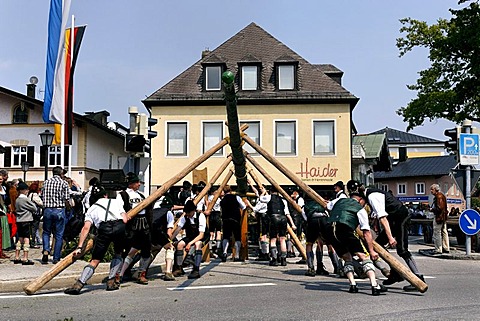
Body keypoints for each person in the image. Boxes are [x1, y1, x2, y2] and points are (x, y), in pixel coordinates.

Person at [347, 180, 425, 292]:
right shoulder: (368, 196)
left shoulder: (373, 196)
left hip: (401, 217)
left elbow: (382, 218)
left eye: (357, 201)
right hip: (393, 219)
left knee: (402, 250)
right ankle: (395, 274)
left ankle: (418, 278)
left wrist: (390, 237)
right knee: (378, 246)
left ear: (360, 197)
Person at [64, 185, 129, 295]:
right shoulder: (116, 202)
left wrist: (79, 247)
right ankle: (111, 282)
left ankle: (79, 284)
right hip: (119, 228)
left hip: (104, 230)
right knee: (118, 254)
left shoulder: (91, 209)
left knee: (95, 260)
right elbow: (125, 219)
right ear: (105, 195)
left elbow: (86, 228)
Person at [324, 193, 387, 295]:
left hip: (329, 229)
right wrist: (371, 251)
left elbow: (326, 205)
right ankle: (374, 285)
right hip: (344, 229)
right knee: (364, 256)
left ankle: (352, 285)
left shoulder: (338, 200)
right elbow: (366, 232)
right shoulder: (360, 210)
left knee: (347, 257)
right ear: (361, 200)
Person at [117, 172, 152, 285]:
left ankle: (142, 274)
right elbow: (119, 209)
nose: (139, 184)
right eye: (137, 182)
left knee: (146, 250)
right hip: (131, 226)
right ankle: (119, 274)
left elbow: (149, 211)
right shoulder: (122, 195)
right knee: (126, 251)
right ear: (131, 184)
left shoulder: (141, 195)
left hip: (144, 225)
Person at [172, 200, 209, 279]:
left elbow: (201, 235)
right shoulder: (185, 217)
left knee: (197, 244)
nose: (188, 215)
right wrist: (170, 240)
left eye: (189, 213)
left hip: (202, 236)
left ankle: (196, 269)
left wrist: (189, 243)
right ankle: (179, 268)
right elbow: (178, 229)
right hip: (191, 236)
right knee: (180, 244)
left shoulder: (200, 216)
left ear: (193, 211)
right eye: (186, 213)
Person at [41, 166, 70, 264]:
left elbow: (42, 195)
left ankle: (46, 250)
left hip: (47, 210)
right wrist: (68, 208)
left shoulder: (46, 182)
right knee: (59, 234)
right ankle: (56, 257)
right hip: (59, 210)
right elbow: (66, 198)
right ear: (61, 173)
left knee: (46, 232)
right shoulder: (64, 183)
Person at [260, 186, 296, 267]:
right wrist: (292, 224)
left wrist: (263, 192)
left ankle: (274, 259)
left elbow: (261, 199)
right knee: (282, 238)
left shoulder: (269, 197)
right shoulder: (283, 200)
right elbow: (287, 213)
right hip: (283, 218)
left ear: (271, 191)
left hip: (274, 217)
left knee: (273, 239)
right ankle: (283, 259)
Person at [219, 185, 247, 262]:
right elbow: (244, 207)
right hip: (235, 219)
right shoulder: (236, 197)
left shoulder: (222, 200)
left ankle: (224, 252)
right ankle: (237, 255)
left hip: (225, 219)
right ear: (230, 190)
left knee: (226, 236)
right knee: (237, 237)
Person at [12, 182, 37, 265]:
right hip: (26, 220)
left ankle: (16, 256)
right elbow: (34, 208)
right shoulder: (25, 199)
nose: (27, 191)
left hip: (19, 220)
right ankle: (25, 258)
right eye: (26, 189)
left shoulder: (17, 199)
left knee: (20, 238)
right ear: (23, 190)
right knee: (26, 238)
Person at [430, 184, 450, 254]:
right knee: (444, 232)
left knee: (437, 232)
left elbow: (439, 208)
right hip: (443, 217)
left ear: (436, 189)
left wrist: (432, 209)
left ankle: (438, 249)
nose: (431, 191)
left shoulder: (439, 196)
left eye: (432, 189)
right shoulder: (441, 195)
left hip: (439, 217)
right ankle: (446, 247)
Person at [27, 181, 43, 248]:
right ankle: (33, 242)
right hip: (36, 214)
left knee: (31, 229)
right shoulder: (35, 195)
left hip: (30, 213)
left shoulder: (29, 195)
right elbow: (41, 203)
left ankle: (31, 241)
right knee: (34, 228)